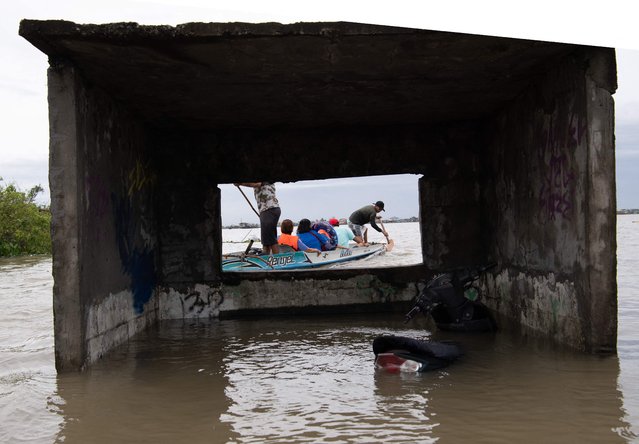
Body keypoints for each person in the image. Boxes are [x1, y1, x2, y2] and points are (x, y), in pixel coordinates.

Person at [234, 182, 281, 255]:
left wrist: (240, 183)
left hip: (269, 209)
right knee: (266, 240)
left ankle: (277, 260)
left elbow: (257, 184)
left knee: (271, 239)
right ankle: (266, 258)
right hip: (267, 210)